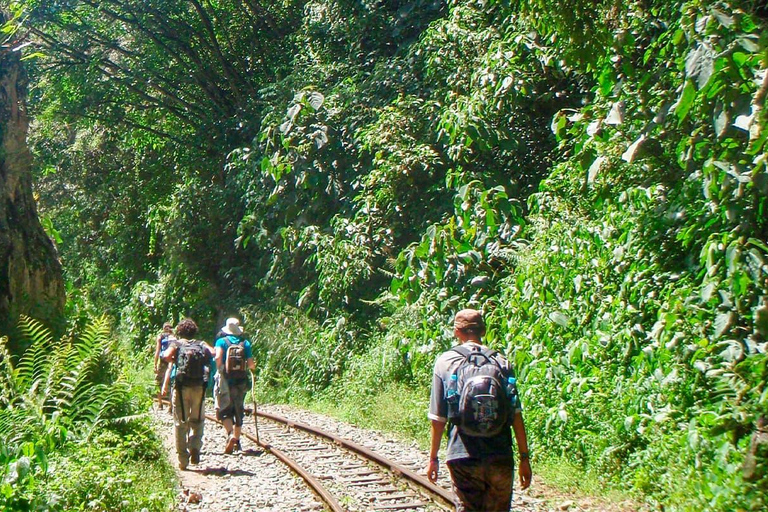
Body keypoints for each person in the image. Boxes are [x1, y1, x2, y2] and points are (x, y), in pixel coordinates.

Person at [427, 309, 532, 512]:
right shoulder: (502, 362)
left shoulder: (446, 362)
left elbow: (438, 418)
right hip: (500, 454)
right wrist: (524, 458)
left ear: (457, 331)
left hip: (462, 455)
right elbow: (516, 415)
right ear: (483, 331)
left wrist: (433, 459)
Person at [161, 318, 214, 470]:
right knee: (198, 420)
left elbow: (165, 356)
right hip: (199, 386)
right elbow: (213, 353)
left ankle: (183, 460)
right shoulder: (201, 344)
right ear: (194, 330)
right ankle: (195, 446)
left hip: (181, 386)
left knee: (180, 423)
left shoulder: (177, 344)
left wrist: (176, 359)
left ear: (179, 331)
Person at [214, 317, 256, 454]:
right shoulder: (245, 343)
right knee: (238, 410)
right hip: (241, 381)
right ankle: (237, 441)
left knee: (225, 410)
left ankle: (230, 434)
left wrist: (220, 369)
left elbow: (217, 357)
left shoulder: (221, 341)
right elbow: (251, 365)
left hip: (226, 380)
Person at [154, 322, 176, 409]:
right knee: (172, 382)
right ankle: (171, 405)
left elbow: (158, 350)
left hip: (163, 360)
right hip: (172, 360)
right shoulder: (174, 337)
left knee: (158, 381)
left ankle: (160, 403)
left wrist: (155, 364)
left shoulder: (160, 336)